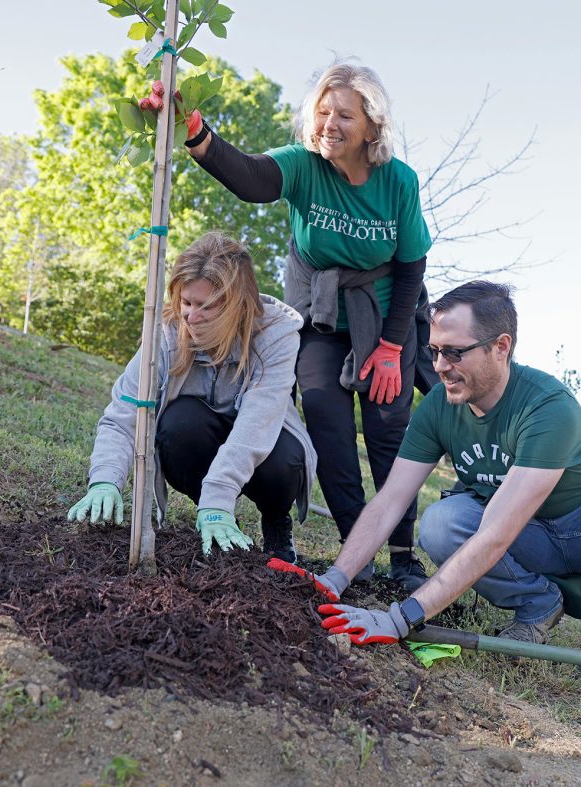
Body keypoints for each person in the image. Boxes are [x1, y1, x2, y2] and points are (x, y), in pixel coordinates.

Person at [278, 281, 581, 707]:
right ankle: (536, 605)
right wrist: (333, 580)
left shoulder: (546, 405)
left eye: (454, 353)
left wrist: (401, 619)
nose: (439, 367)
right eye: (435, 352)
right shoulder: (439, 404)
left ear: (501, 346)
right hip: (528, 533)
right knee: (442, 523)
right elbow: (391, 499)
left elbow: (496, 533)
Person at [184, 60, 432, 591]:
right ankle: (356, 549)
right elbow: (251, 178)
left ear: (372, 126)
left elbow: (412, 265)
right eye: (322, 112)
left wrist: (391, 347)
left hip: (385, 318)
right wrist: (197, 134)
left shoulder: (398, 182)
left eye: (345, 114)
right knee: (327, 425)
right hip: (319, 316)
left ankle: (404, 556)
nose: (329, 124)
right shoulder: (302, 164)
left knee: (389, 432)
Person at [67, 232, 317, 562]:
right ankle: (215, 519)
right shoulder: (166, 333)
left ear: (237, 307)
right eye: (186, 302)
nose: (190, 317)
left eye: (206, 306)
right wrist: (105, 479)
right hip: (200, 433)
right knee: (178, 426)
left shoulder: (276, 335)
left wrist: (220, 495)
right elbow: (125, 413)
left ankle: (273, 520)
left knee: (285, 462)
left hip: (262, 440)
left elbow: (257, 425)